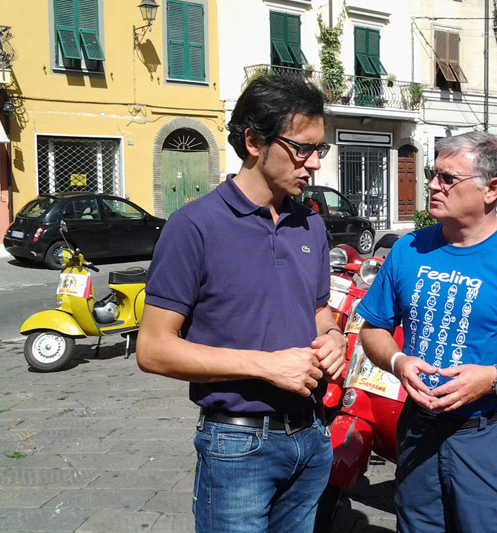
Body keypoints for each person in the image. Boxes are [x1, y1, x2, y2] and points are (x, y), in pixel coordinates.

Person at [136, 75, 345, 533]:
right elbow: (152, 349)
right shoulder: (193, 226)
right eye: (302, 149)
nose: (314, 164)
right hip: (237, 442)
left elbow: (318, 312)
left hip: (312, 435)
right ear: (254, 141)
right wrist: (266, 366)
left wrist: (334, 338)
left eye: (319, 149)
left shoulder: (309, 224)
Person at [355, 132, 497, 532]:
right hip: (418, 433)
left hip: (489, 440)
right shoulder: (408, 249)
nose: (431, 185)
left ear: (491, 189)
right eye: (432, 174)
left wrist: (492, 378)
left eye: (447, 178)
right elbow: (372, 329)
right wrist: (398, 360)